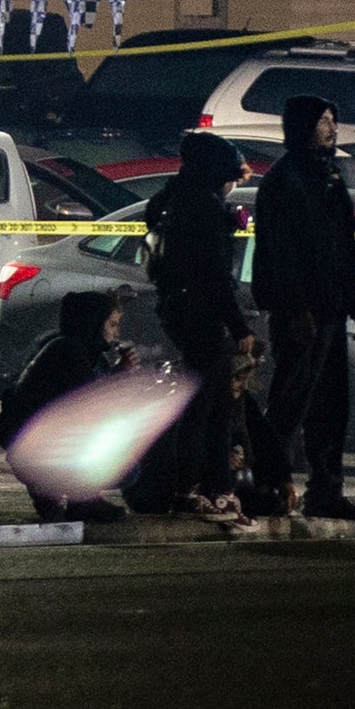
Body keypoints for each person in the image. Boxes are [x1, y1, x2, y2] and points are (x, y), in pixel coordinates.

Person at [244, 96, 355, 522]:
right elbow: (283, 252)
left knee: (331, 404)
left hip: (331, 306)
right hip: (303, 311)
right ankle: (265, 485)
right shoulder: (286, 180)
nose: (332, 128)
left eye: (334, 119)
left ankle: (326, 490)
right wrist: (297, 309)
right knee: (290, 402)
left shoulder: (329, 175)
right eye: (323, 121)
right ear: (302, 126)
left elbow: (344, 244)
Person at [142, 132, 251, 525]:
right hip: (202, 315)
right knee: (212, 408)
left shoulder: (175, 197)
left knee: (204, 404)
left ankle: (199, 488)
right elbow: (216, 276)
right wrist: (239, 327)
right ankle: (208, 491)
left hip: (179, 310)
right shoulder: (203, 208)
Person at [0, 289, 132, 521]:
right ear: (94, 322)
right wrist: (119, 377)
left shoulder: (80, 349)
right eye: (112, 324)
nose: (116, 332)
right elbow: (87, 403)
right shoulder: (69, 351)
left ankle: (56, 493)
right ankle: (80, 498)